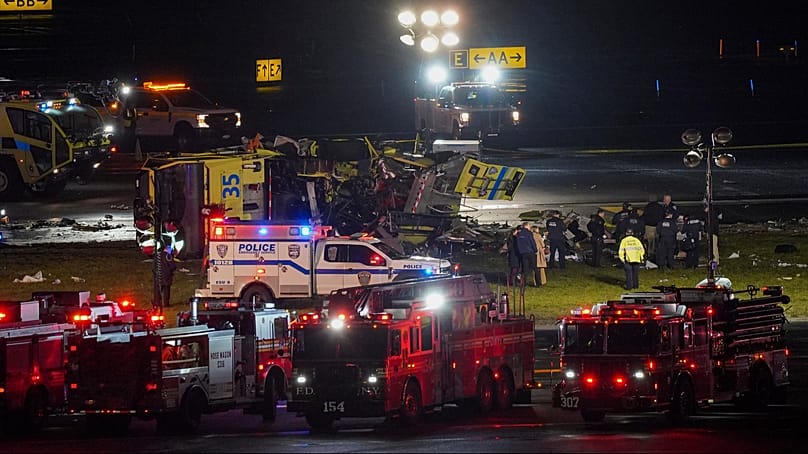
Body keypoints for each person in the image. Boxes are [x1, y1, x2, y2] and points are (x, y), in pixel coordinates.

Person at [515, 221, 539, 287]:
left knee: (525, 269)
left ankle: (524, 283)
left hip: (523, 253)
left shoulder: (519, 234)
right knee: (535, 268)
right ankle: (538, 283)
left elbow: (518, 244)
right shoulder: (529, 233)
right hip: (530, 252)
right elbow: (532, 242)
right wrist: (535, 250)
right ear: (527, 226)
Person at [641, 193, 664, 258]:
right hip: (658, 226)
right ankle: (657, 254)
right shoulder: (660, 207)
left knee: (650, 241)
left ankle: (650, 254)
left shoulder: (648, 207)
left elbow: (644, 216)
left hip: (649, 226)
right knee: (657, 241)